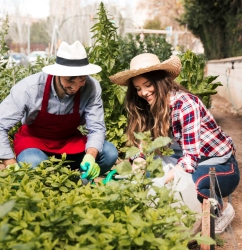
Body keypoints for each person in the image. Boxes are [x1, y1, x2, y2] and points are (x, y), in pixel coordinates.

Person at [109, 53, 240, 234]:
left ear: (161, 81)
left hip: (219, 166)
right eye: (138, 88)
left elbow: (190, 160)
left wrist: (162, 183)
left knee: (192, 183)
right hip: (184, 160)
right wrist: (136, 180)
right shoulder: (147, 107)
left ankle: (221, 209)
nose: (143, 93)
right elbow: (142, 152)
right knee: (145, 174)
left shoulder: (185, 104)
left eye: (148, 85)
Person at [0, 40, 118, 181]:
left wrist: (90, 156)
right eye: (69, 81)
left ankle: (74, 181)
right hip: (34, 142)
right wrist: (10, 163)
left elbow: (97, 128)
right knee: (33, 163)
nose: (75, 87)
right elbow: (1, 125)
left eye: (81, 80)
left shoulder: (91, 87)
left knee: (109, 153)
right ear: (57, 74)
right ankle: (66, 180)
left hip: (69, 142)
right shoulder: (29, 88)